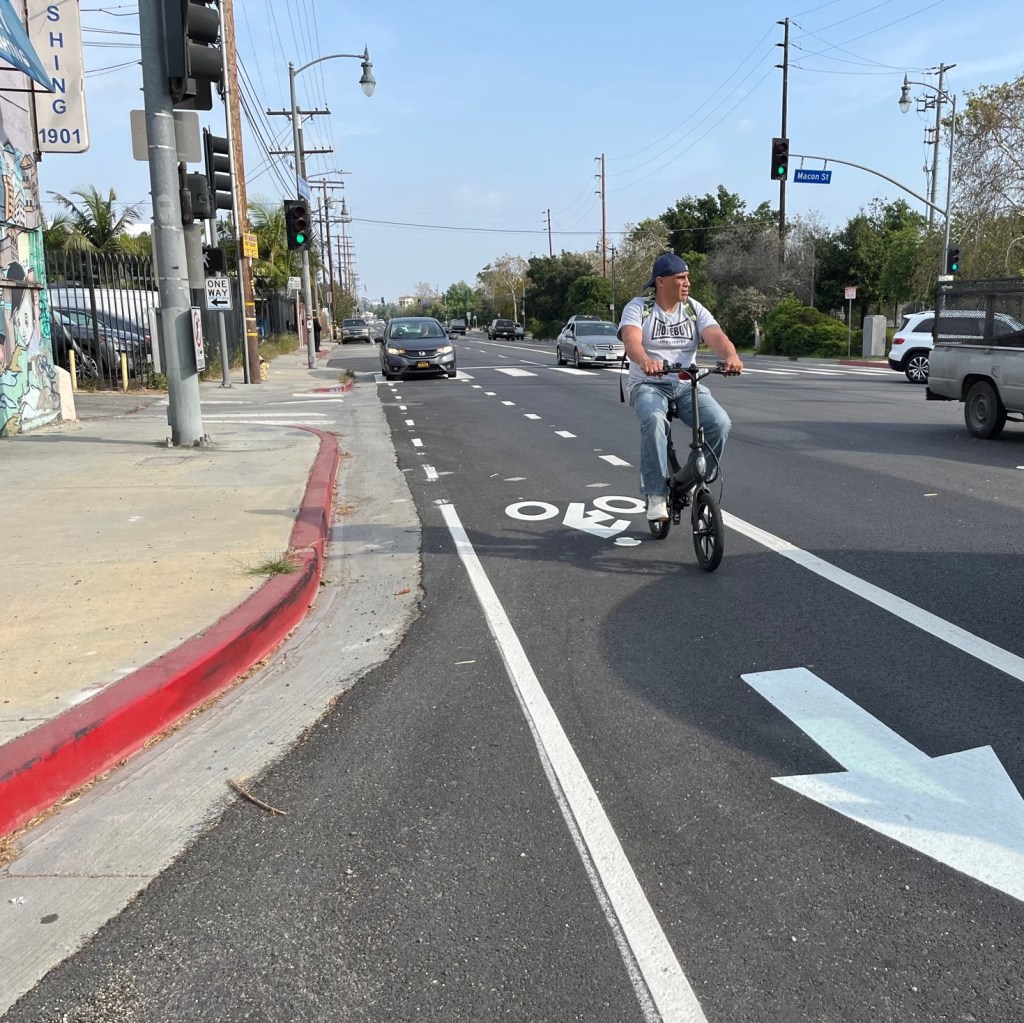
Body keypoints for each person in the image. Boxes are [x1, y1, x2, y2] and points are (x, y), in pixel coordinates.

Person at [618, 252, 744, 523]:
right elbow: (631, 340)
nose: (687, 283)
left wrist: (730, 356)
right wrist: (645, 361)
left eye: (687, 277)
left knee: (720, 423)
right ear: (661, 281)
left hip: (687, 385)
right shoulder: (639, 307)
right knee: (653, 420)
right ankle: (656, 494)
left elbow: (717, 336)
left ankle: (692, 479)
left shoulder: (693, 308)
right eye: (680, 278)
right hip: (649, 384)